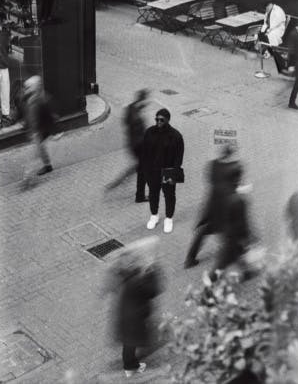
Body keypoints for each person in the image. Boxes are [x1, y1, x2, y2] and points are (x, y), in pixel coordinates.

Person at [109, 237, 163, 378]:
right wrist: (153, 270)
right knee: (131, 342)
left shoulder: (128, 266)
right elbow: (154, 291)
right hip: (135, 315)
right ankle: (130, 366)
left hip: (125, 311)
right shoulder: (143, 275)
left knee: (128, 341)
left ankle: (129, 365)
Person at [184, 144, 242, 268]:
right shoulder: (235, 168)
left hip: (212, 204)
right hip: (226, 206)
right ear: (231, 155)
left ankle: (190, 258)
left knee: (204, 230)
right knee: (232, 231)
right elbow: (234, 185)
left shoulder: (212, 165)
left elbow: (211, 180)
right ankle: (240, 258)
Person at [142, 108, 184, 233]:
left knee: (169, 195)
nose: (158, 122)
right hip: (152, 172)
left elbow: (178, 157)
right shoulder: (150, 132)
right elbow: (144, 152)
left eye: (162, 120)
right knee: (153, 194)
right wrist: (145, 170)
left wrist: (174, 173)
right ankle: (154, 216)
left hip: (168, 172)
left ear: (168, 120)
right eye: (157, 119)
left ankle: (169, 219)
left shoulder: (176, 136)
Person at [106, 89, 149, 202]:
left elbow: (126, 122)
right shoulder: (135, 115)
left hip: (132, 143)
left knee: (138, 167)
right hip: (138, 145)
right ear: (142, 98)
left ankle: (119, 182)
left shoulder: (130, 108)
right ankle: (138, 195)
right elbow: (138, 127)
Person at [22, 75, 55, 181]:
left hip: (40, 131)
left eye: (28, 87)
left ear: (35, 87)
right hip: (35, 130)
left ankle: (27, 177)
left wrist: (45, 131)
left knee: (34, 154)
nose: (26, 89)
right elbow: (29, 113)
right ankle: (48, 165)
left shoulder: (43, 100)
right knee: (41, 149)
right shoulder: (29, 98)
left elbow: (49, 117)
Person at [0, 16, 12, 128]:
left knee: (5, 91)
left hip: (4, 67)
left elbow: (7, 47)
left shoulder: (4, 34)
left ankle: (5, 114)